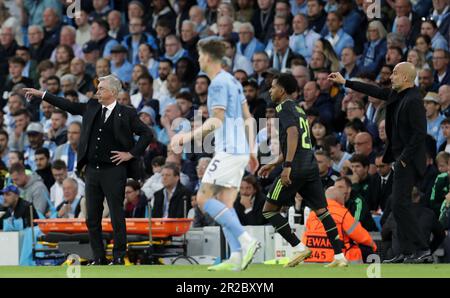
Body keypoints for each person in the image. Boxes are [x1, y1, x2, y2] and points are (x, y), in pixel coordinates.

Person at [24, 74, 152, 266]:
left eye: (101, 88)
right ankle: (98, 256)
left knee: (117, 215)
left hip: (114, 170)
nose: (97, 92)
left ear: (113, 92)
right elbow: (67, 104)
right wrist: (42, 94)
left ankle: (118, 255)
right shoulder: (92, 106)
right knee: (92, 217)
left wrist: (131, 154)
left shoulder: (127, 113)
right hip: (92, 170)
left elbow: (147, 133)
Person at [171, 37, 260, 272]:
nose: (198, 59)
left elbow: (216, 120)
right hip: (239, 150)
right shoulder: (233, 80)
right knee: (224, 204)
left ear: (208, 57)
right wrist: (252, 149)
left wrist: (186, 136)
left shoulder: (218, 84)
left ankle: (246, 239)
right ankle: (236, 255)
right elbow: (248, 117)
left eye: (200, 55)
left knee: (203, 199)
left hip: (229, 150)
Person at [328, 62, 431, 263]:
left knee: (400, 204)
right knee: (397, 204)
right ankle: (407, 251)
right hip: (400, 159)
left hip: (407, 161)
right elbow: (373, 90)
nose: (391, 77)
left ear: (406, 78)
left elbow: (420, 134)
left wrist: (403, 159)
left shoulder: (414, 100)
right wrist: (345, 82)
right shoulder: (397, 95)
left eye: (394, 73)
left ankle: (421, 248)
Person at [258, 73, 347, 268]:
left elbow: (292, 134)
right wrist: (274, 163)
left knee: (268, 211)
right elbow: (299, 142)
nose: (270, 91)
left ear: (281, 91)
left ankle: (298, 247)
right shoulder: (298, 109)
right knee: (323, 211)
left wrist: (287, 166)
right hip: (310, 165)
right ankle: (340, 256)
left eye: (273, 87)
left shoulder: (283, 108)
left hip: (296, 168)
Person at [302, 186, 377, 264]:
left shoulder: (312, 214)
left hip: (313, 258)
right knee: (363, 249)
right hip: (339, 258)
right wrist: (373, 246)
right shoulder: (343, 213)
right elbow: (360, 235)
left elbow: (306, 238)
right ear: (339, 199)